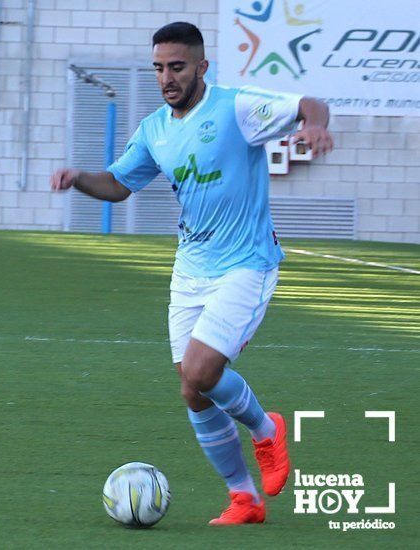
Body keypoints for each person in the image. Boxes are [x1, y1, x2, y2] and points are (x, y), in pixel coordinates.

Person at [50, 22, 334, 525]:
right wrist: (78, 179)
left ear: (202, 67)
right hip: (191, 269)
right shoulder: (156, 129)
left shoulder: (235, 108)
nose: (166, 77)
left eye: (177, 67)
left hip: (246, 264)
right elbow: (119, 184)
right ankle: (244, 499)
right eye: (159, 67)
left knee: (204, 370)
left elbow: (310, 103)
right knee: (192, 388)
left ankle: (266, 429)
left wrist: (314, 126)